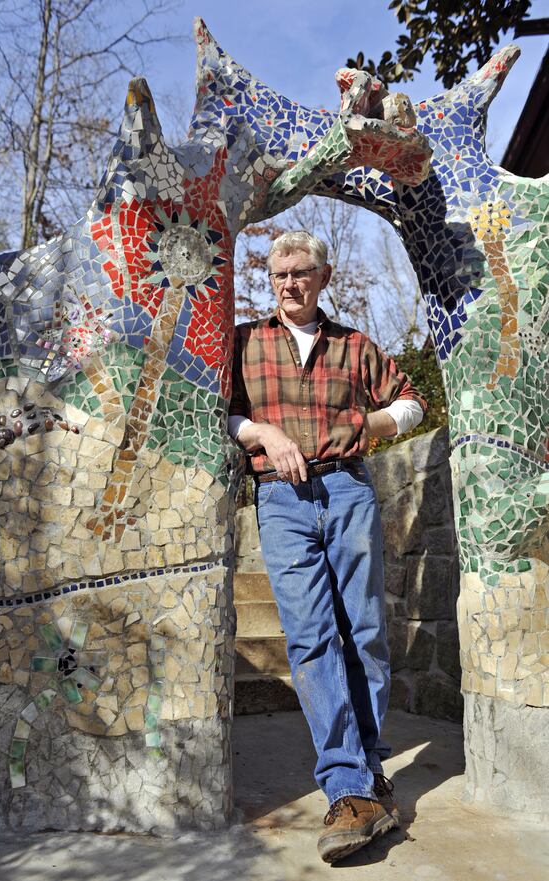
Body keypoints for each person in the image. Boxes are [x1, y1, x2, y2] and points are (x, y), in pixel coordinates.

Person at [229, 230, 427, 864]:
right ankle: (349, 785)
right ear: (270, 277)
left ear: (324, 276)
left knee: (364, 631)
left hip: (347, 490)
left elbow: (413, 404)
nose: (291, 283)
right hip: (280, 496)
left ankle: (363, 777)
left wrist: (365, 425)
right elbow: (225, 411)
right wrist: (263, 432)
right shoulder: (245, 342)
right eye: (281, 273)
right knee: (311, 637)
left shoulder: (355, 345)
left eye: (303, 273)